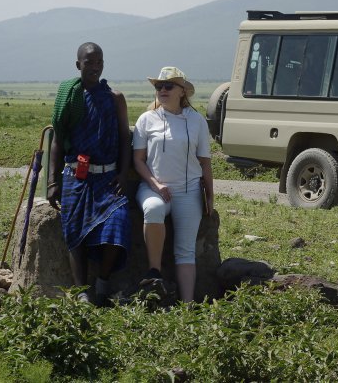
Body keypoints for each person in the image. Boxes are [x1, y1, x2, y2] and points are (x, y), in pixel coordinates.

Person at [47, 42, 131, 306]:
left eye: (99, 62)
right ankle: (82, 292)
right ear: (78, 65)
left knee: (118, 221)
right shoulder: (70, 98)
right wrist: (52, 181)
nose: (95, 67)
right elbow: (58, 141)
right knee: (74, 233)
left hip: (107, 178)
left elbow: (124, 138)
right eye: (89, 62)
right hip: (76, 176)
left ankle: (103, 282)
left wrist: (124, 174)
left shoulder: (114, 98)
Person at [133, 66, 214, 302]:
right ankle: (154, 272)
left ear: (182, 91)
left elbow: (205, 162)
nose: (162, 90)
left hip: (189, 191)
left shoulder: (197, 121)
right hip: (153, 188)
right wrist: (155, 184)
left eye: (168, 86)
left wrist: (210, 196)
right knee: (153, 208)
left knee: (185, 251)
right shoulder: (146, 119)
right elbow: (138, 160)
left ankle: (187, 306)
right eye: (159, 86)